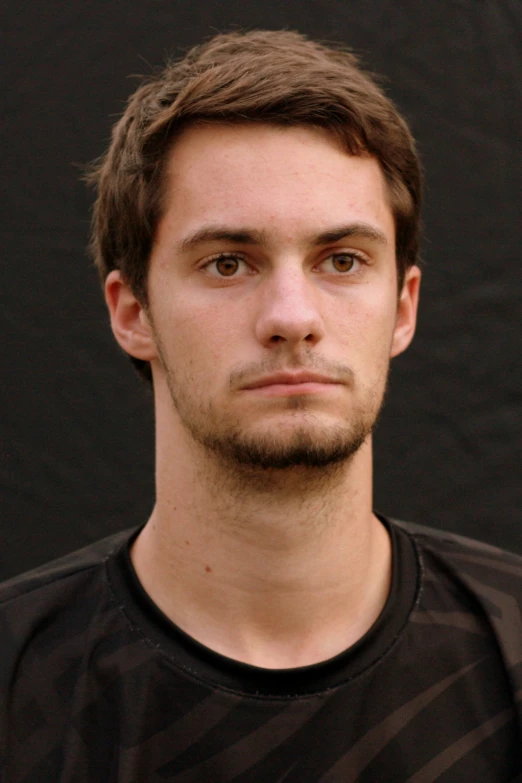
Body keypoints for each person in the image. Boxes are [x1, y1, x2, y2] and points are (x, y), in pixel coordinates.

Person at [1, 29, 521, 782]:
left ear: (403, 307)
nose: (291, 315)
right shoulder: (19, 679)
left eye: (342, 260)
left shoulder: (510, 647)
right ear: (132, 312)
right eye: (227, 263)